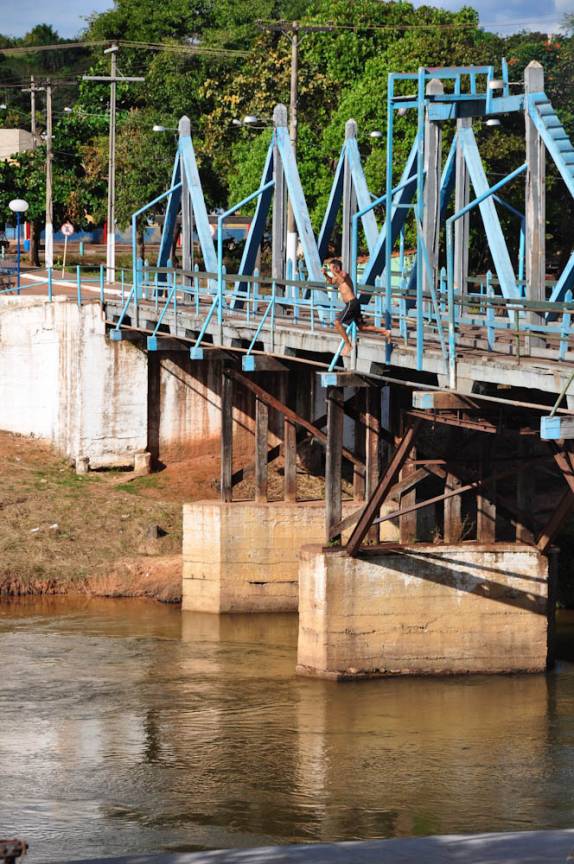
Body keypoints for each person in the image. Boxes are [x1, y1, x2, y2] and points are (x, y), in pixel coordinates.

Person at [322, 258, 391, 356]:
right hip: (353, 304)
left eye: (332, 268)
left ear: (336, 267)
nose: (331, 270)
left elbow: (342, 279)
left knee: (337, 322)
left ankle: (348, 345)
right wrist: (325, 274)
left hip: (352, 303)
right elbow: (331, 282)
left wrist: (334, 271)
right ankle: (385, 332)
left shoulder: (344, 274)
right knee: (362, 327)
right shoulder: (337, 277)